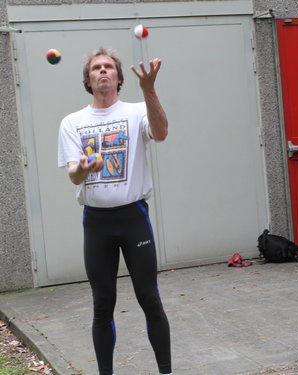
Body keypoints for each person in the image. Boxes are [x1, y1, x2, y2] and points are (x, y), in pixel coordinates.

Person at [57, 47, 172, 375]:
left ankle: (167, 371)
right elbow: (72, 174)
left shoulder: (136, 112)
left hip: (133, 217)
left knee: (149, 299)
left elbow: (161, 133)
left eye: (109, 67)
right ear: (88, 79)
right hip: (97, 224)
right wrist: (85, 168)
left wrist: (149, 90)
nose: (103, 71)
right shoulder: (72, 123)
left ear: (119, 78)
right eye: (96, 67)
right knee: (102, 305)